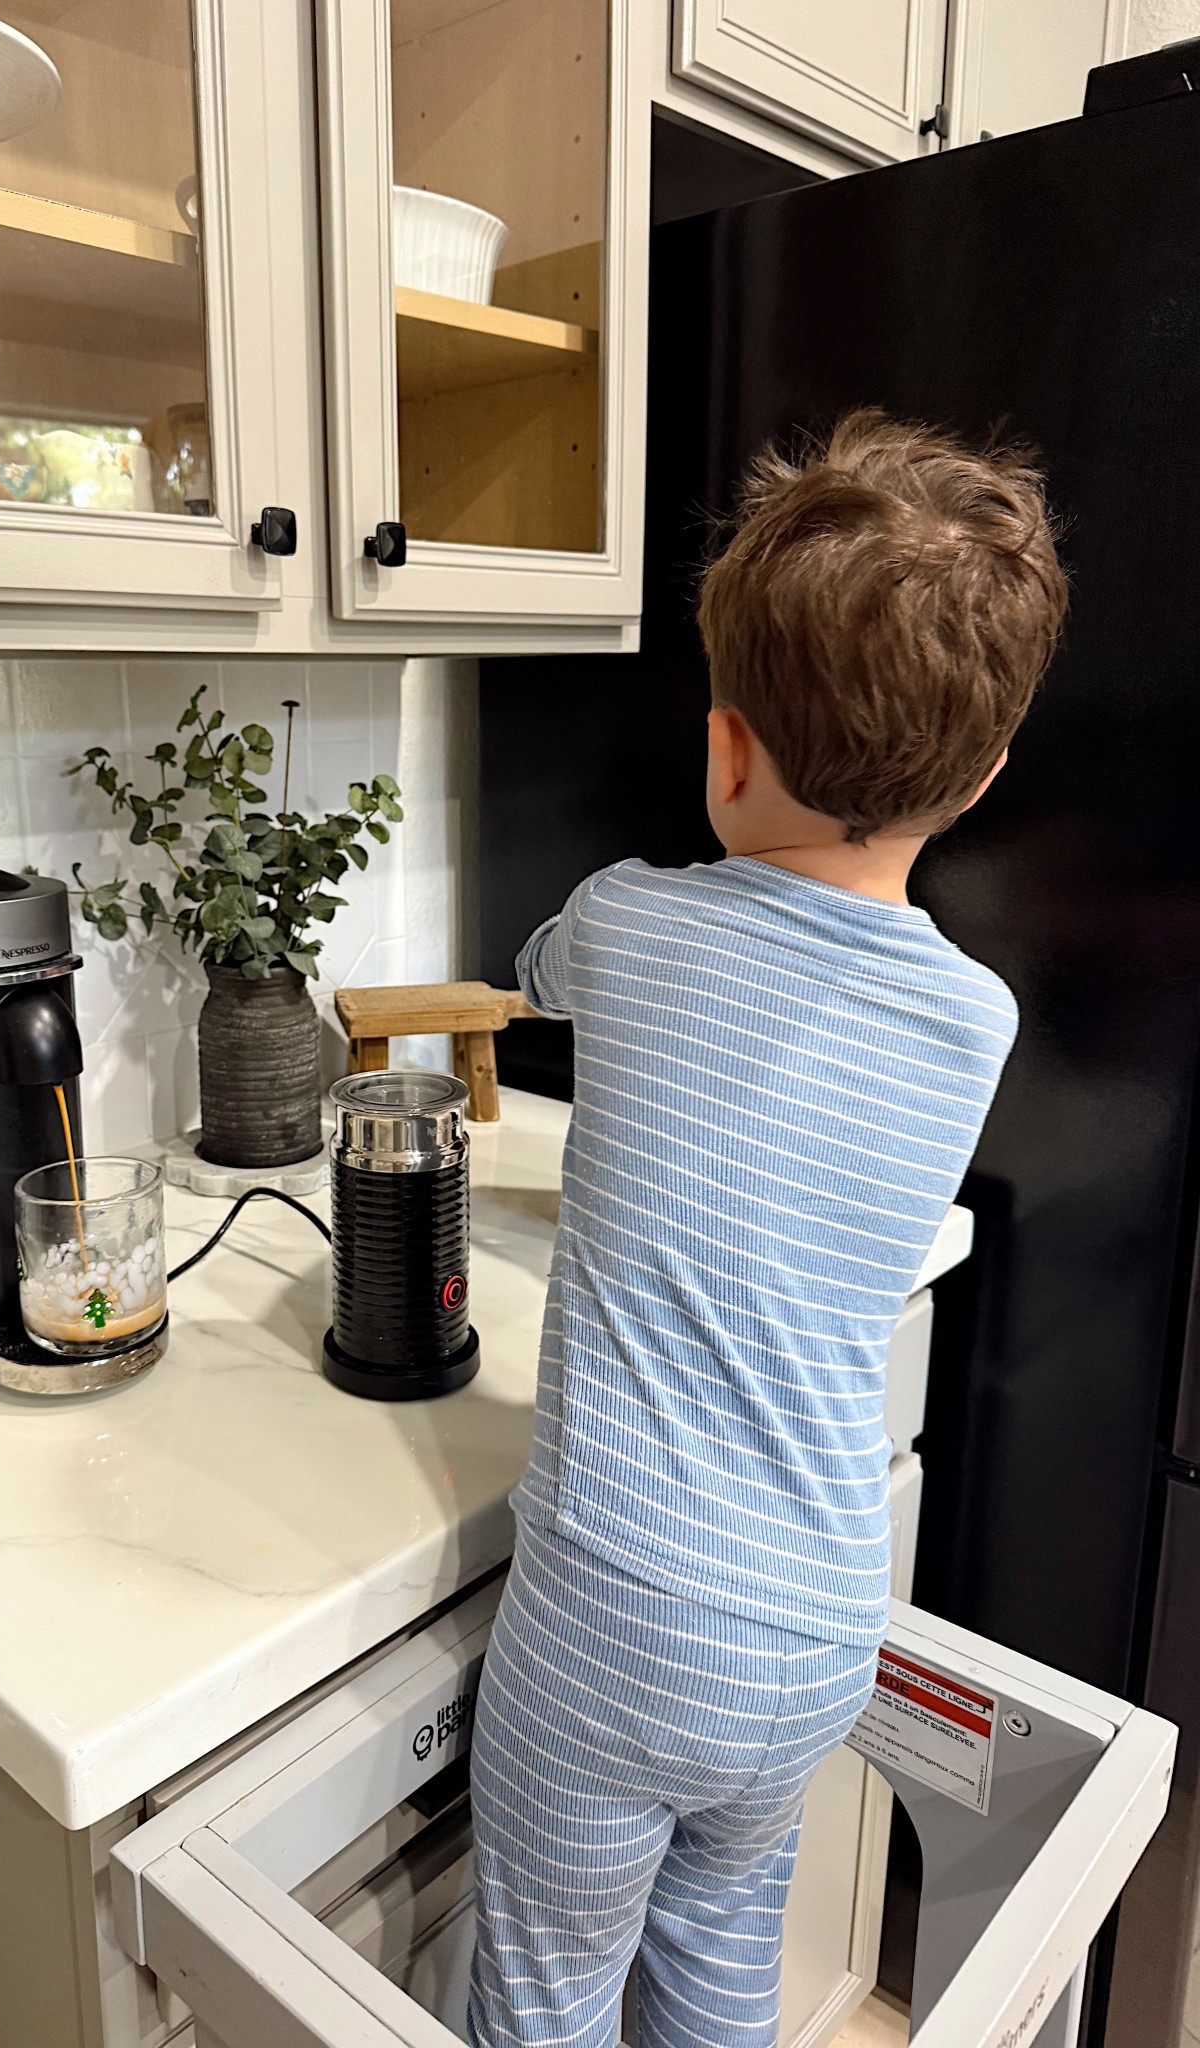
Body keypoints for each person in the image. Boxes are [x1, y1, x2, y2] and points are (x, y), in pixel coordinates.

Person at [466, 409, 1069, 2048]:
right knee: (722, 1959)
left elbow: (533, 976)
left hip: (614, 1612)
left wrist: (537, 963)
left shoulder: (631, 922)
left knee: (543, 1993)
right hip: (817, 1621)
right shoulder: (976, 1021)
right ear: (985, 774)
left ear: (725, 750)